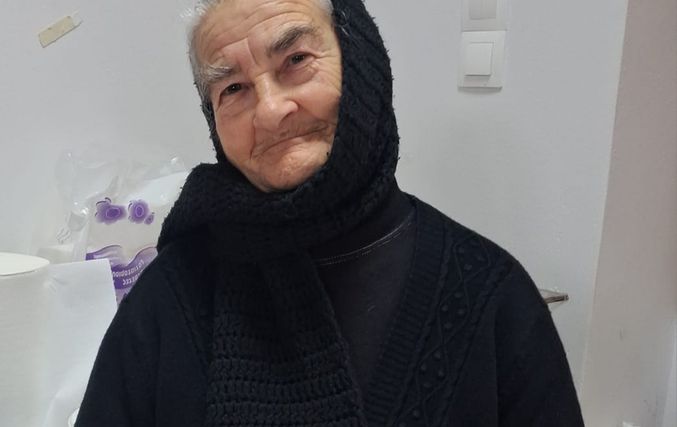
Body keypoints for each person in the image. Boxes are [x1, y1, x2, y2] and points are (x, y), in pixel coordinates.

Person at [76, 0, 585, 425]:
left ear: (361, 61)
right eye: (232, 88)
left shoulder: (489, 296)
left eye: (295, 60)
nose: (270, 110)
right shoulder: (172, 296)